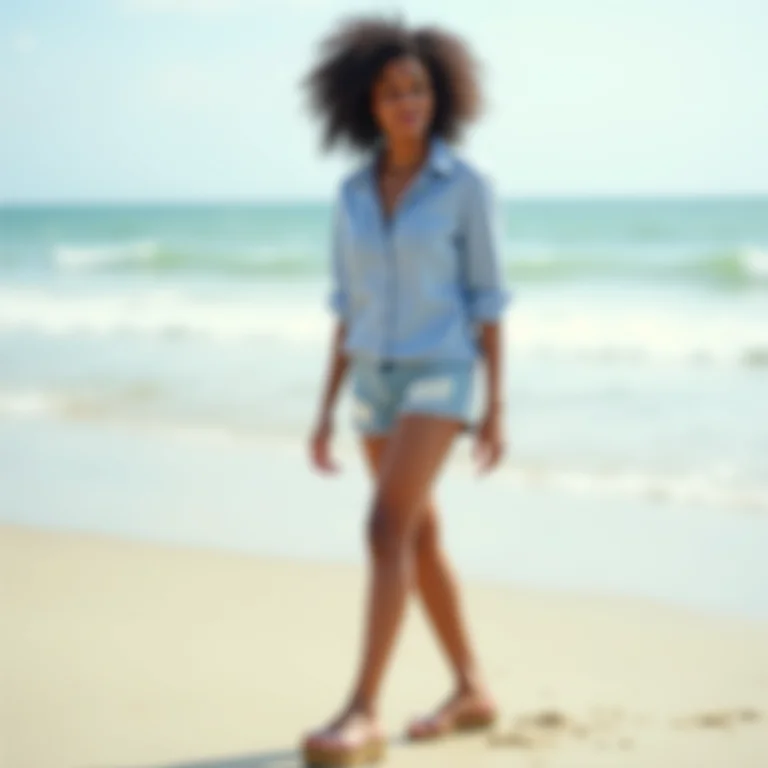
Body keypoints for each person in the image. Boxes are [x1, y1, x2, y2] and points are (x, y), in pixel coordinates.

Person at [302, 15, 510, 767]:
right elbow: (346, 307)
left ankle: (362, 711)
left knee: (384, 528)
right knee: (418, 537)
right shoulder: (351, 194)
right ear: (367, 104)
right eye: (391, 92)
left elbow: (489, 300)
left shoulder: (467, 188)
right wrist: (323, 410)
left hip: (440, 371)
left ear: (439, 95)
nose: (407, 103)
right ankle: (472, 689)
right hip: (371, 379)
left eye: (418, 88)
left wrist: (496, 410)